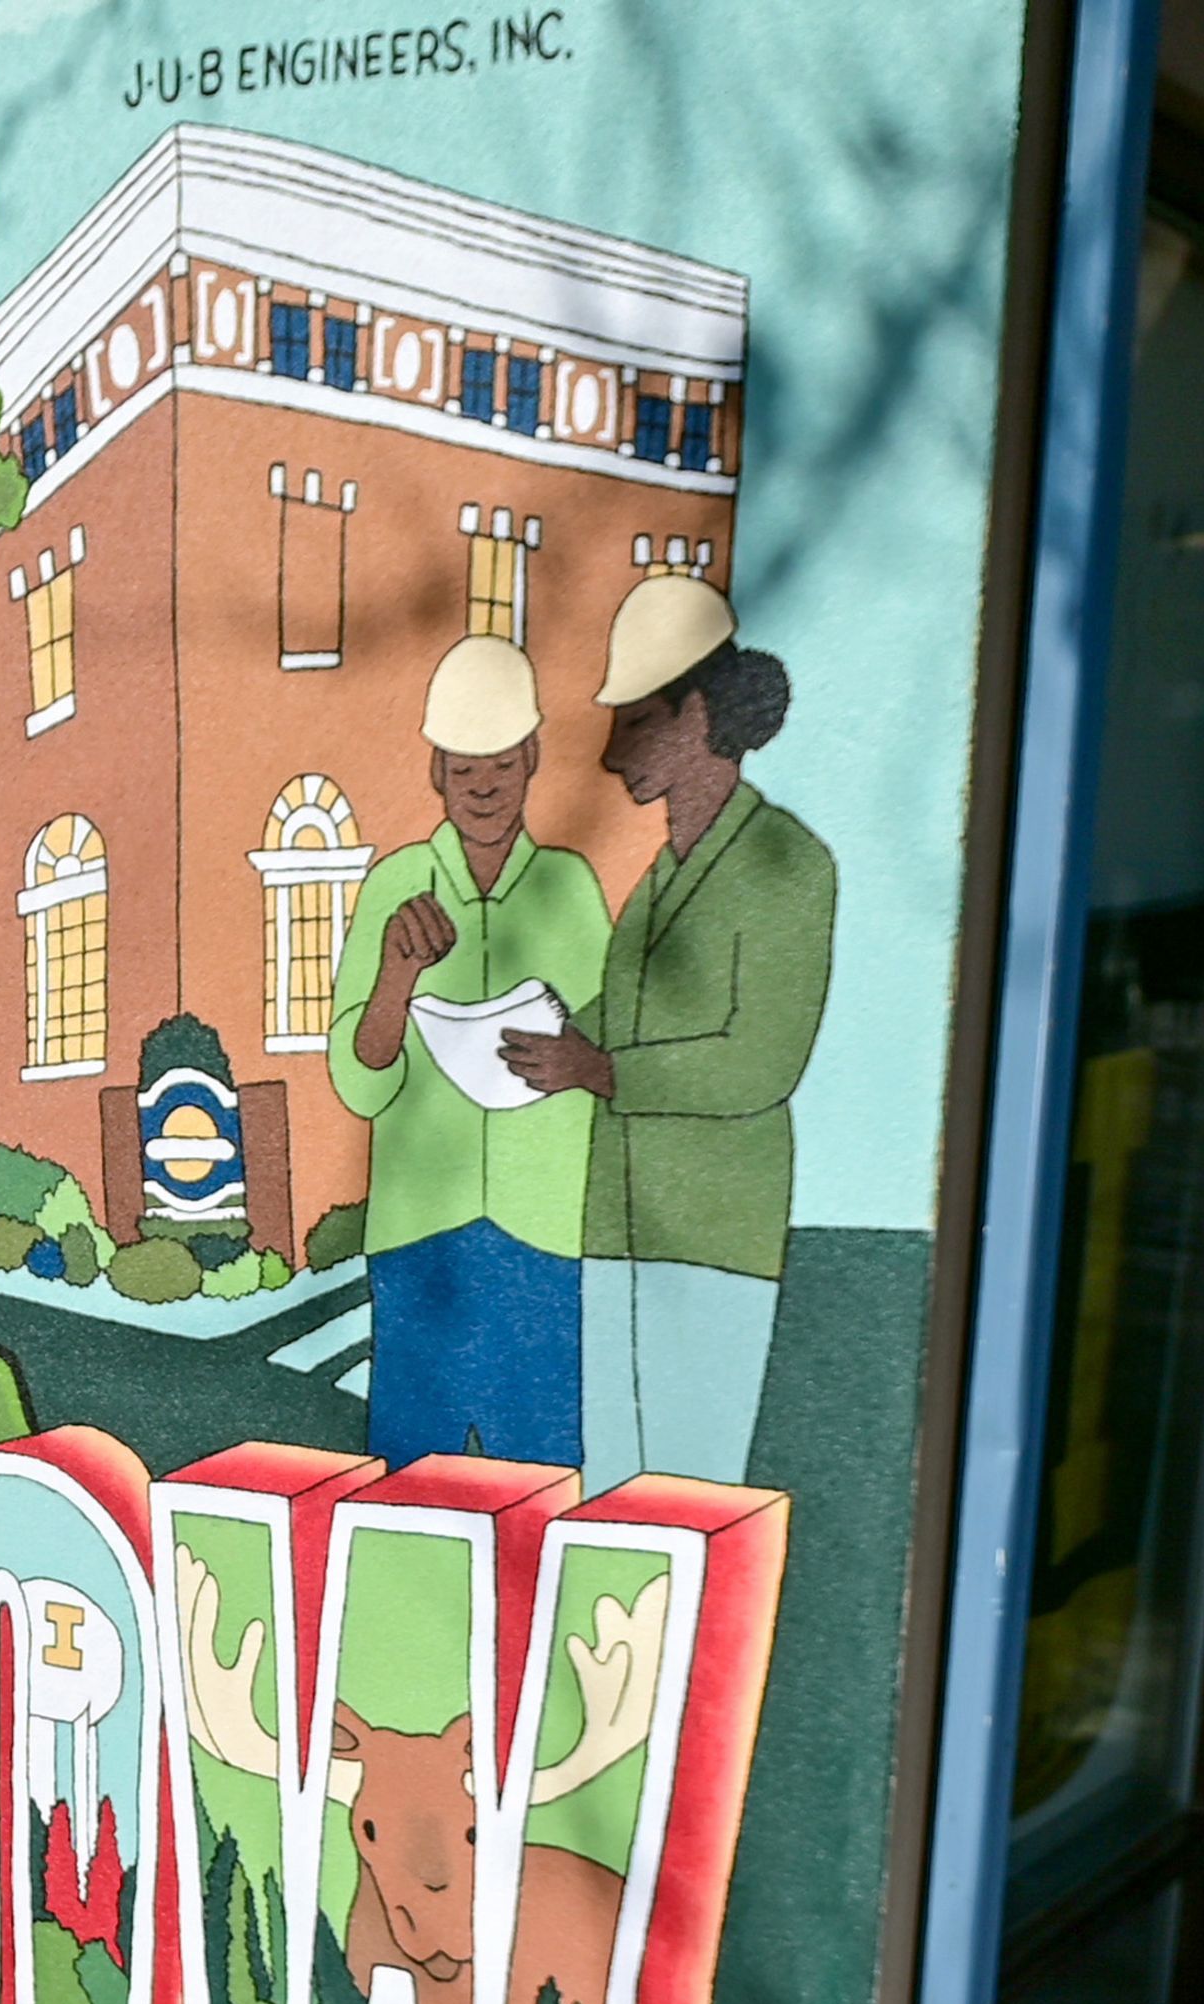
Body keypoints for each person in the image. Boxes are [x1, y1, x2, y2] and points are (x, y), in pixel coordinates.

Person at [503, 573, 838, 1489]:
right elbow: (635, 1021)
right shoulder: (660, 875)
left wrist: (596, 1068)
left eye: (636, 722)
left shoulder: (784, 863)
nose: (614, 757)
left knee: (693, 1484)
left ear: (697, 716)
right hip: (617, 1226)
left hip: (711, 1234)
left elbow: (758, 1064)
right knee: (612, 1481)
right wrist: (545, 1030)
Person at [324, 633, 617, 1465]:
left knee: (545, 1472)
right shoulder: (396, 885)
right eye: (463, 768)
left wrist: (578, 1062)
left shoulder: (569, 887)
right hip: (424, 1235)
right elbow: (360, 1080)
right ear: (435, 773)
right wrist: (396, 978)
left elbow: (608, 1055)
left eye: (499, 764)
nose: (483, 786)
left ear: (531, 758)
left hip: (544, 1233)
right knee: (412, 1479)